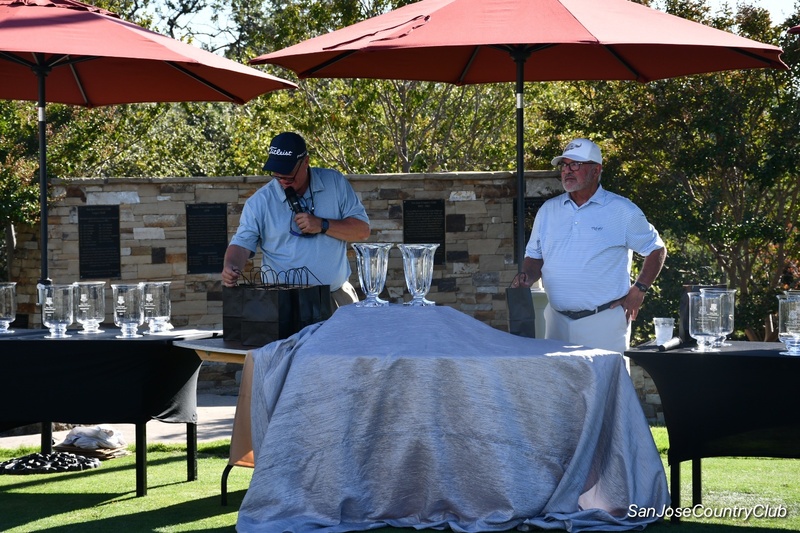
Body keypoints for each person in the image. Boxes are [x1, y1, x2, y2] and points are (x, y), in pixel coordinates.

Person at [512, 138, 666, 354]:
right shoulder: (548, 210)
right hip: (556, 321)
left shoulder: (622, 210)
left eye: (575, 164)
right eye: (564, 165)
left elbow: (656, 249)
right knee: (558, 378)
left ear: (596, 170)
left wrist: (639, 289)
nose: (567, 170)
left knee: (606, 378)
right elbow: (535, 256)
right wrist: (527, 277)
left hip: (603, 322)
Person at [221, 132, 370, 307]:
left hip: (335, 296)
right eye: (277, 175)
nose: (283, 181)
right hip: (283, 303)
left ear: (305, 162)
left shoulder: (335, 183)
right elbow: (241, 244)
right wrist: (230, 266)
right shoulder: (259, 202)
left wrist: (322, 224)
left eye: (288, 175)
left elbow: (362, 231)